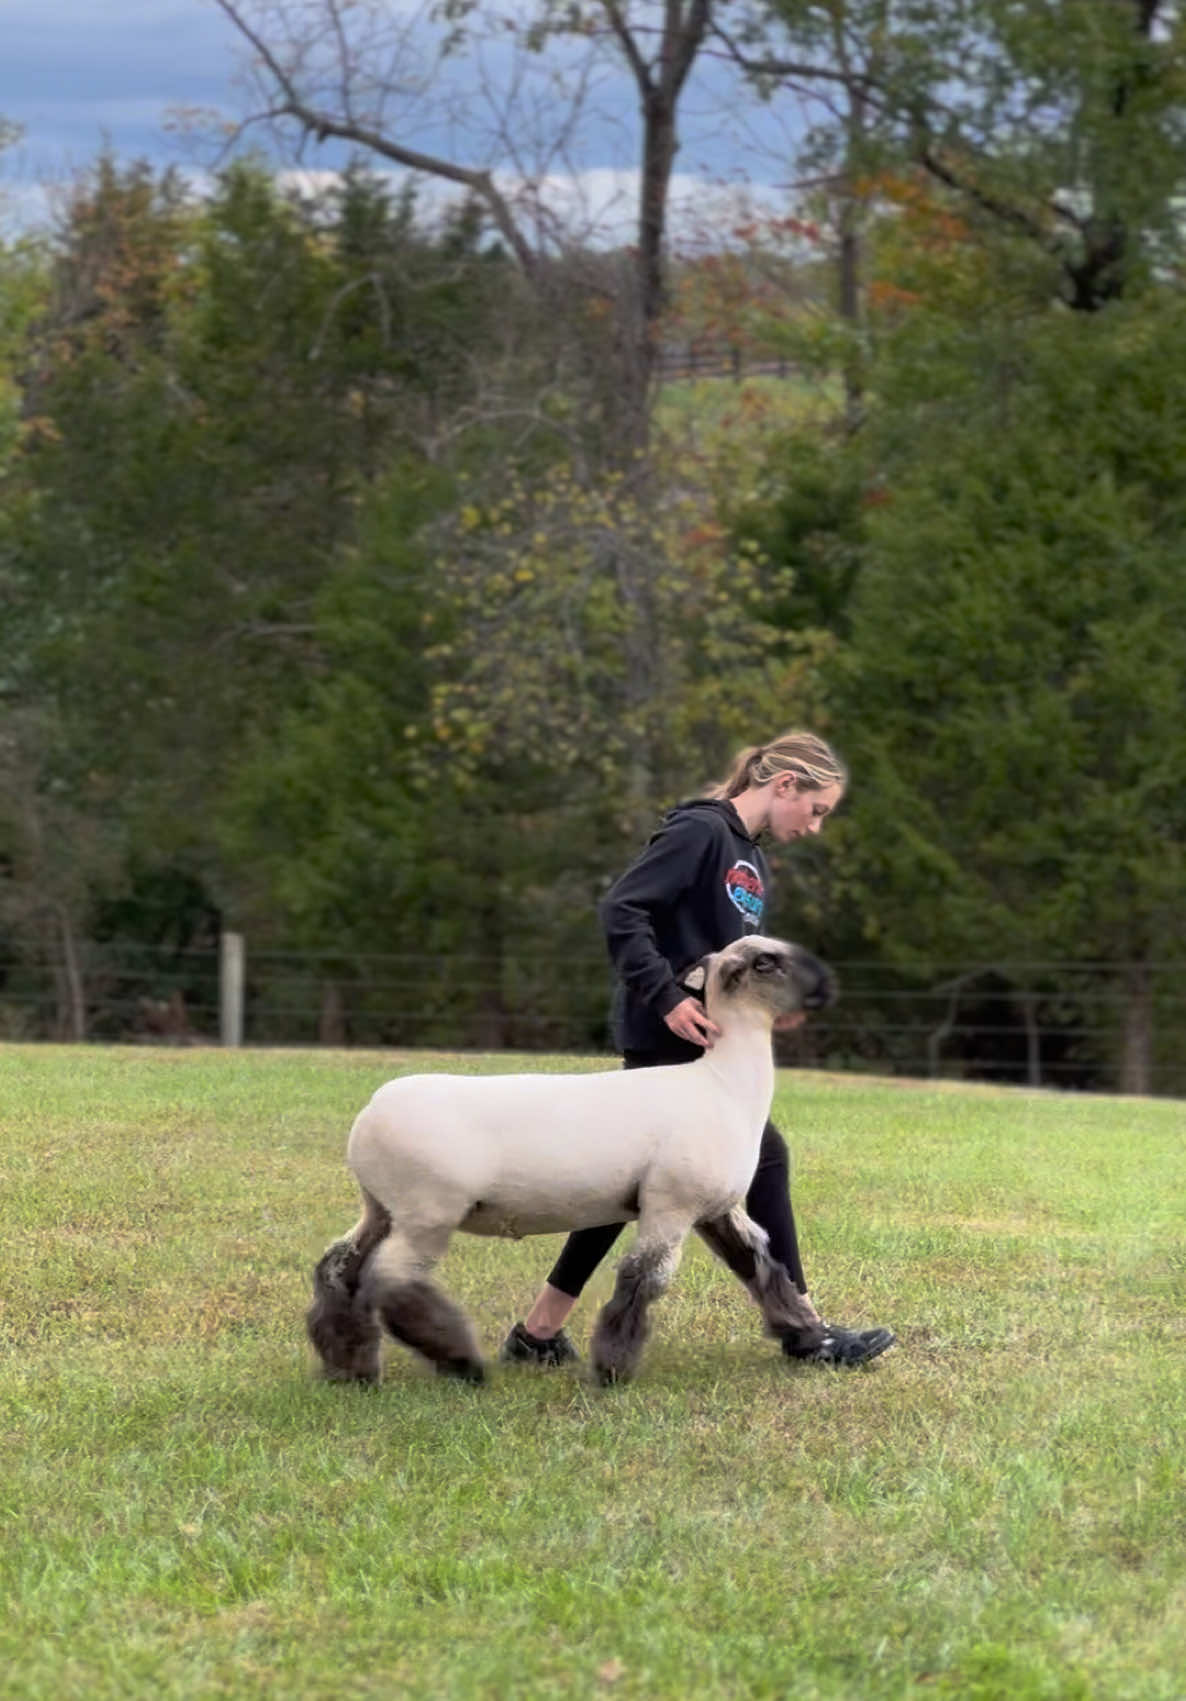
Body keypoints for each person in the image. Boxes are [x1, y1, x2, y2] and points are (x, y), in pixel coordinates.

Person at [500, 729, 895, 1371]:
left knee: (624, 1185)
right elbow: (623, 910)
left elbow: (732, 963)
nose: (816, 826)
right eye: (817, 809)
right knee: (762, 1157)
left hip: (706, 1041)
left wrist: (769, 1003)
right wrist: (666, 998)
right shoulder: (701, 833)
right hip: (670, 1035)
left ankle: (537, 1335)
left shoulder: (749, 856)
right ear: (785, 784)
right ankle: (806, 1331)